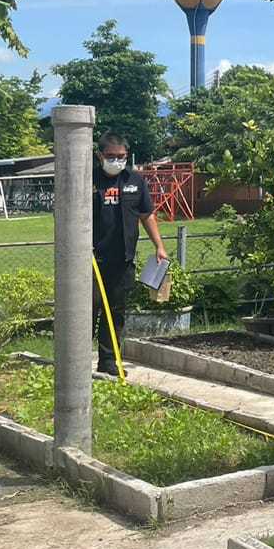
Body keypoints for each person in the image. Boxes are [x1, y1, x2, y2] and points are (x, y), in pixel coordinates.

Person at [91, 133, 168, 376]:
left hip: (123, 259)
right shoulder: (88, 179)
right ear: (100, 155)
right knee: (88, 310)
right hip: (91, 260)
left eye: (121, 156)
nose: (116, 161)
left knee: (116, 312)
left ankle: (109, 361)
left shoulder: (135, 180)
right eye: (110, 156)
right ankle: (76, 362)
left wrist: (159, 246)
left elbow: (146, 215)